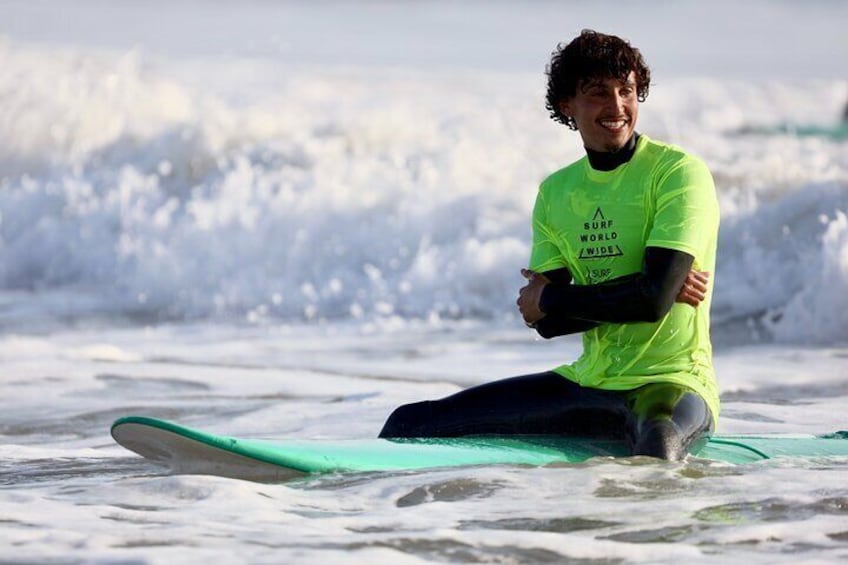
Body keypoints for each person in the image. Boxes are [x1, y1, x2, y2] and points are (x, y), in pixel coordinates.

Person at [379, 30, 720, 461]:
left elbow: (649, 304)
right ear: (567, 105)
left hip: (671, 383)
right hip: (588, 383)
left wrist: (562, 296)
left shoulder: (677, 173)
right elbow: (549, 323)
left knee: (659, 447)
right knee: (407, 425)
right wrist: (633, 290)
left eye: (627, 91)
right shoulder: (557, 192)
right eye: (598, 93)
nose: (617, 107)